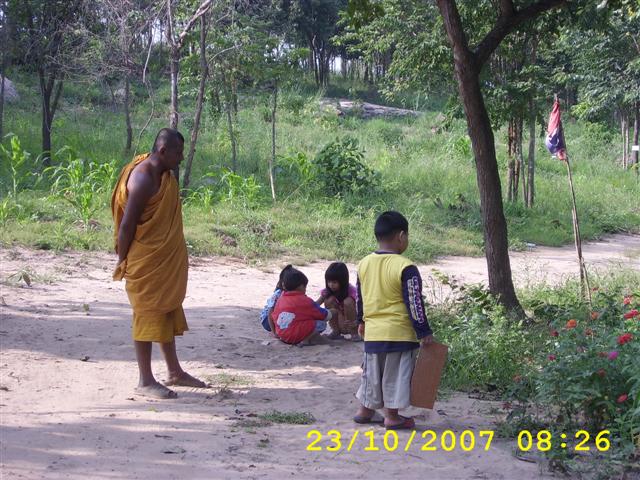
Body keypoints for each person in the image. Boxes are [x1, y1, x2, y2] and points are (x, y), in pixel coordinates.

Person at [112, 128, 206, 399]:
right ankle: (145, 380)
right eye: (178, 153)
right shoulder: (143, 178)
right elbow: (127, 224)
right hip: (146, 260)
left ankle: (174, 371)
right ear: (163, 151)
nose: (182, 158)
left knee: (166, 308)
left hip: (164, 258)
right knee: (147, 312)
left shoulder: (164, 175)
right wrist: (122, 259)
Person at [353, 211, 434, 429]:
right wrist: (423, 330)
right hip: (399, 333)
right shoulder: (406, 267)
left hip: (373, 332)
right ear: (401, 236)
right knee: (394, 376)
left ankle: (364, 411)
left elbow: (360, 297)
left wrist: (361, 321)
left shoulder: (364, 263)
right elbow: (414, 302)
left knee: (372, 374)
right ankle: (392, 416)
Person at [272, 268, 332, 346]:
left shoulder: (281, 298)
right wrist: (332, 312)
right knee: (322, 323)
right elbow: (323, 315)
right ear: (300, 286)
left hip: (282, 334)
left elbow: (274, 315)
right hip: (294, 336)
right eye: (305, 287)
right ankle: (306, 339)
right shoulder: (305, 300)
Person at [316, 262, 360, 341]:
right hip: (339, 322)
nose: (331, 285)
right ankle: (335, 331)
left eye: (334, 282)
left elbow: (360, 307)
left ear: (343, 281)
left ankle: (354, 333)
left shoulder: (351, 290)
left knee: (348, 301)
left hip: (352, 322)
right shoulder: (327, 291)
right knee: (328, 300)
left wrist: (357, 322)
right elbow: (316, 304)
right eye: (329, 282)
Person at [260, 264, 294, 336]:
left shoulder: (294, 294)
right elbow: (270, 313)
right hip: (267, 321)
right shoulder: (278, 294)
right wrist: (274, 333)